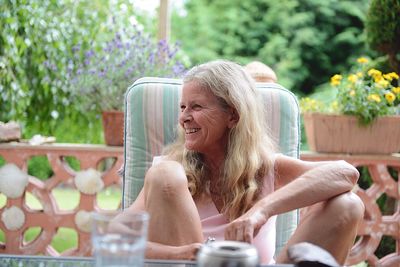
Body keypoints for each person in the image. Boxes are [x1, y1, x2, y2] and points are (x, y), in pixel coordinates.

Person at [113, 59, 364, 265]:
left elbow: (346, 174)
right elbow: (114, 237)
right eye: (182, 107)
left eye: (196, 107)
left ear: (232, 115)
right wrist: (187, 254)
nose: (184, 118)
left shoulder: (267, 168)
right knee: (165, 173)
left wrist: (260, 211)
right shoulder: (169, 174)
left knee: (348, 205)